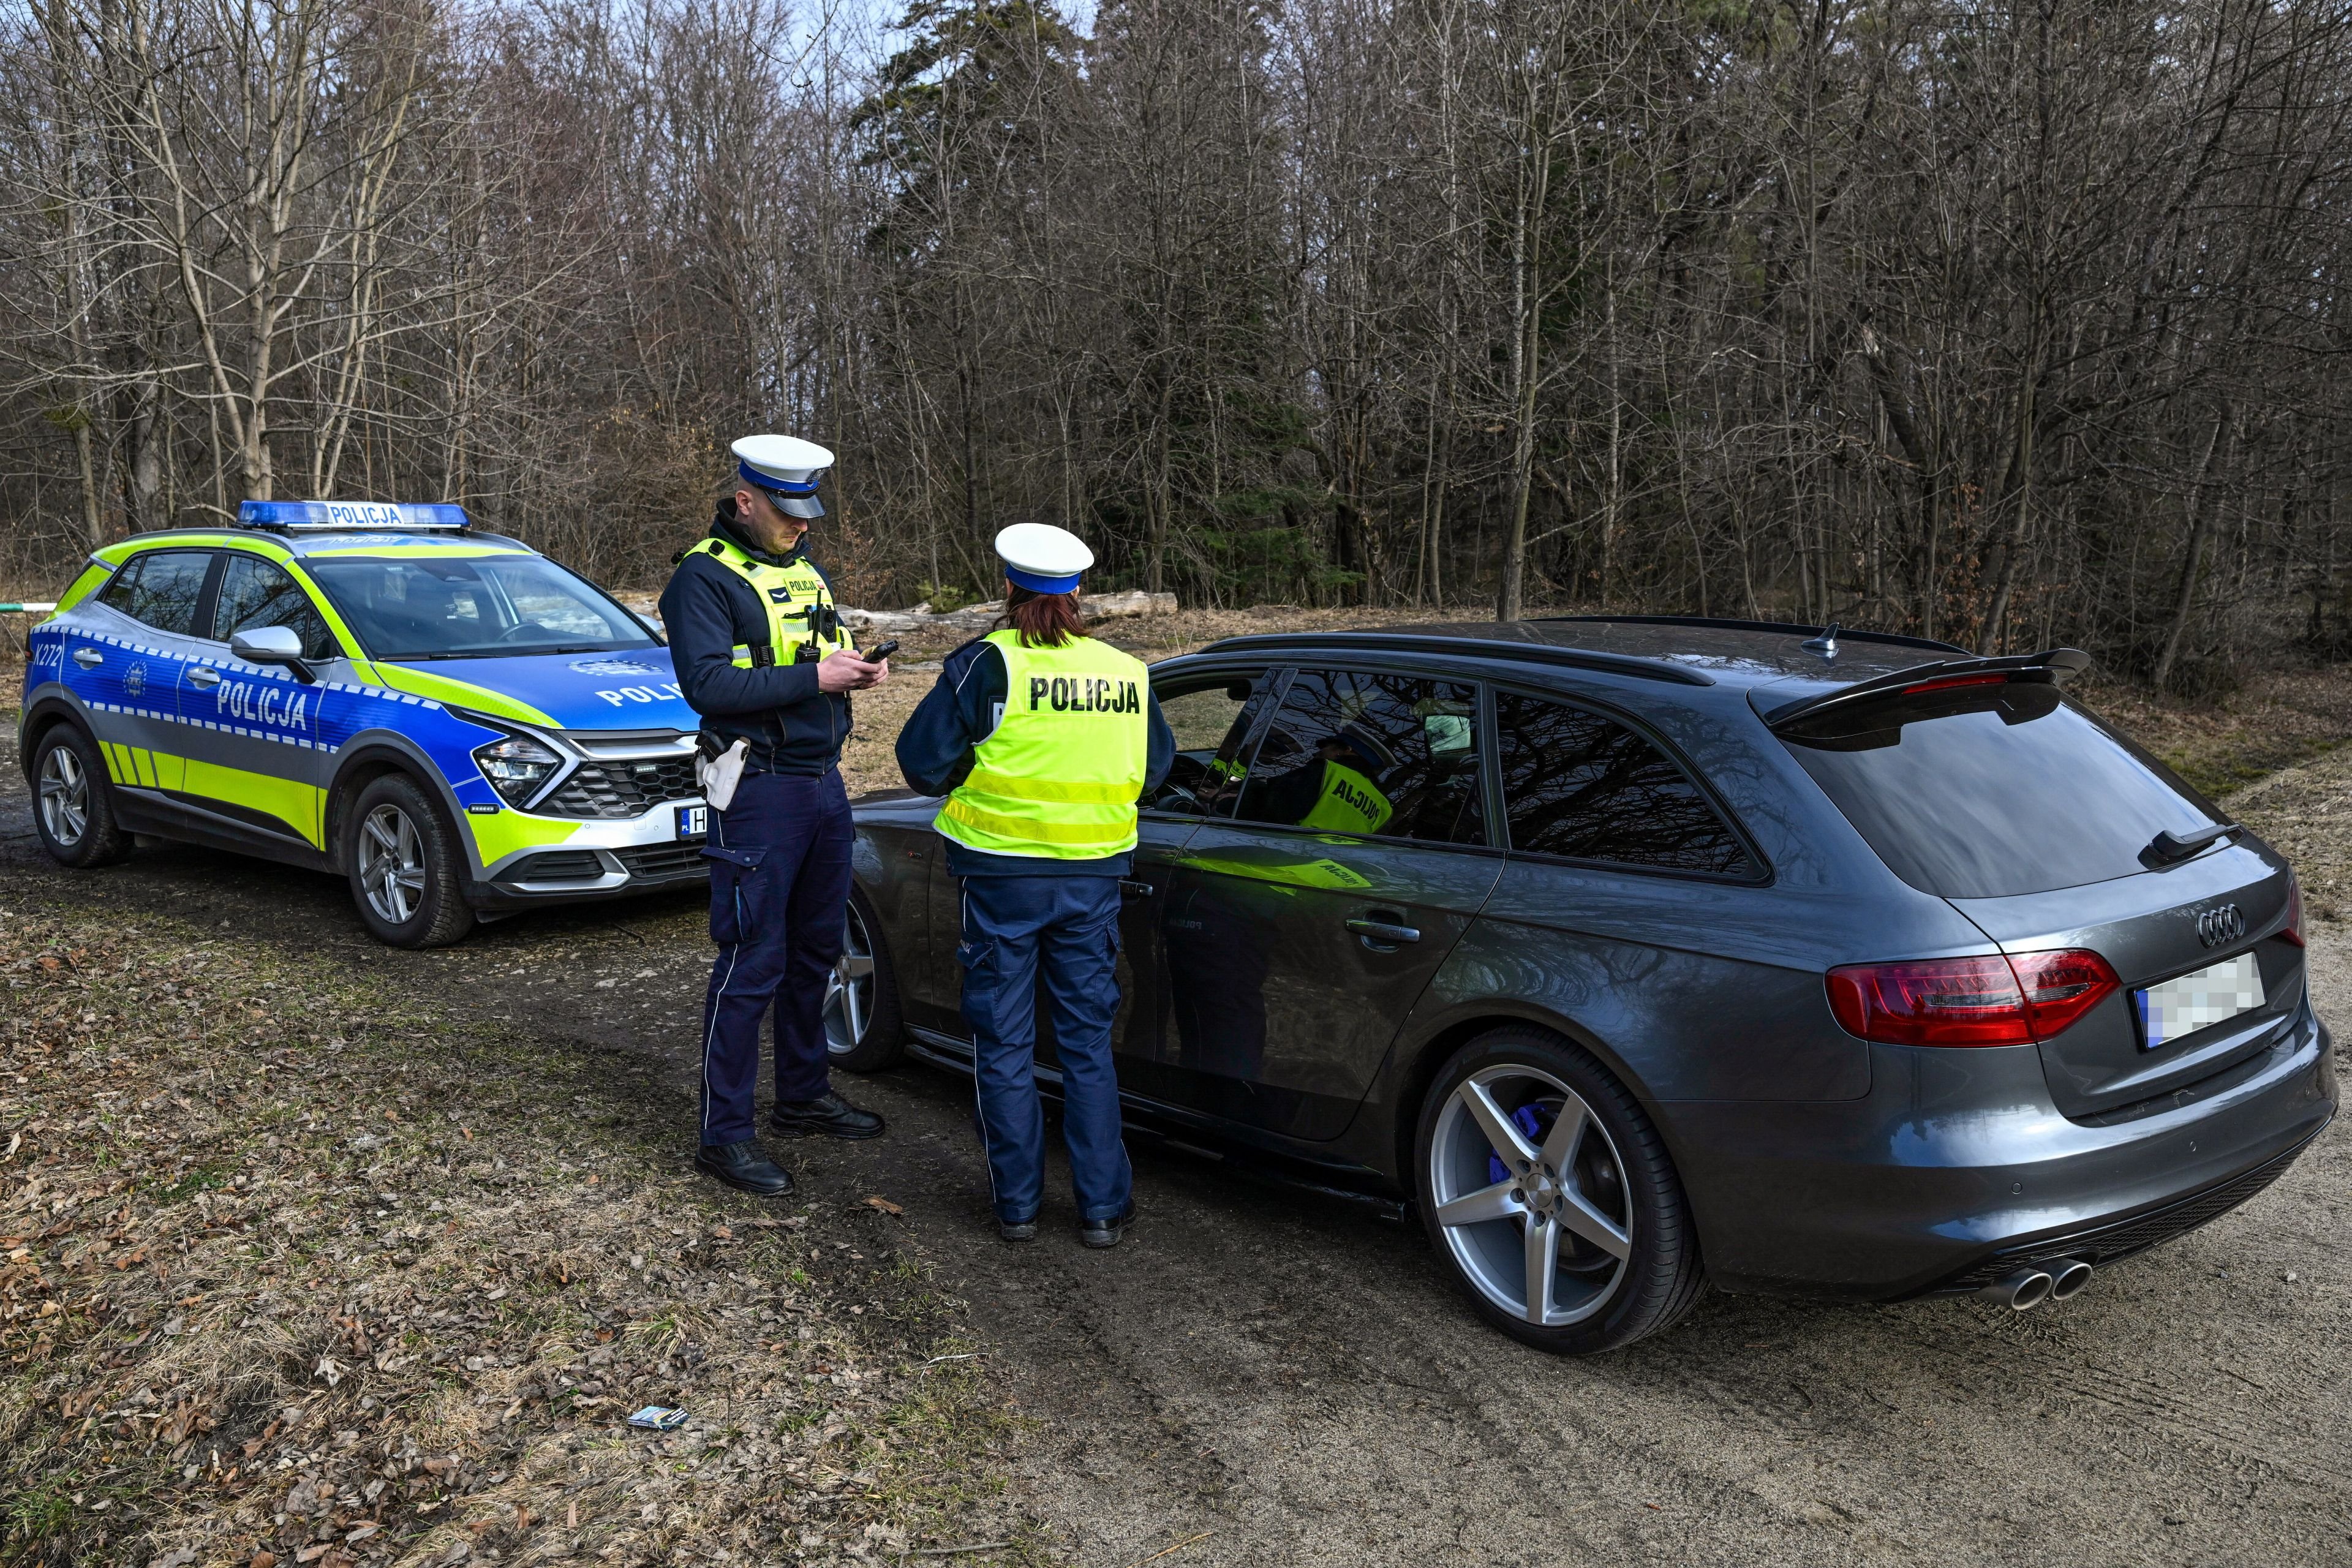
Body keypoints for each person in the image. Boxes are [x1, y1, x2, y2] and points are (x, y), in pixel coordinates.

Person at [895, 524, 1174, 1246]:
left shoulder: (983, 664)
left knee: (1004, 1042)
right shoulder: (1127, 671)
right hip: (1093, 880)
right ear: (1080, 592)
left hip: (1001, 881)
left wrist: (980, 770)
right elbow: (1156, 770)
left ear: (1008, 588)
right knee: (1086, 1045)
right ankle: (1102, 1208)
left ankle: (1016, 1205)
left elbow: (922, 765)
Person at [660, 434, 891, 1197]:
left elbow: (820, 653)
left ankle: (803, 1095)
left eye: (810, 512)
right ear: (746, 501)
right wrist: (815, 678)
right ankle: (723, 1135)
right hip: (757, 788)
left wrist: (857, 670)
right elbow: (708, 686)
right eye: (789, 512)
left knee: (816, 948)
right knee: (752, 958)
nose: (803, 524)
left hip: (822, 782)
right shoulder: (702, 577)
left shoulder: (805, 568)